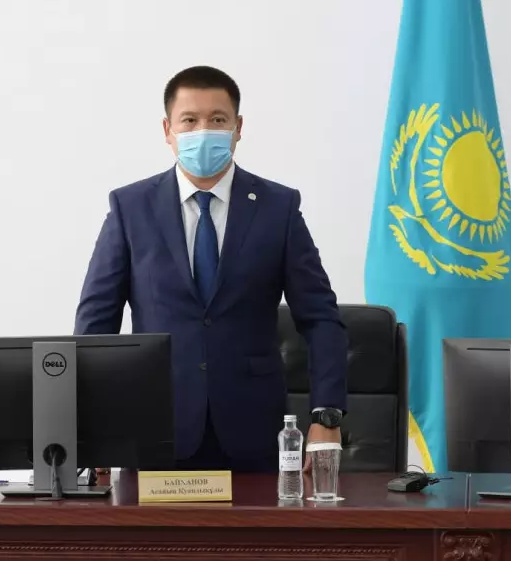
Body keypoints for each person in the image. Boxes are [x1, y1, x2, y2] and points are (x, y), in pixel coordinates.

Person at [74, 66, 347, 472]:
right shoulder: (130, 208)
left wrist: (327, 415)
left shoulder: (278, 208)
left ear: (238, 128)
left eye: (218, 120)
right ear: (167, 130)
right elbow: (96, 324)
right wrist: (92, 426)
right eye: (189, 120)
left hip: (254, 431)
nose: (203, 131)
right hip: (154, 429)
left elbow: (321, 317)